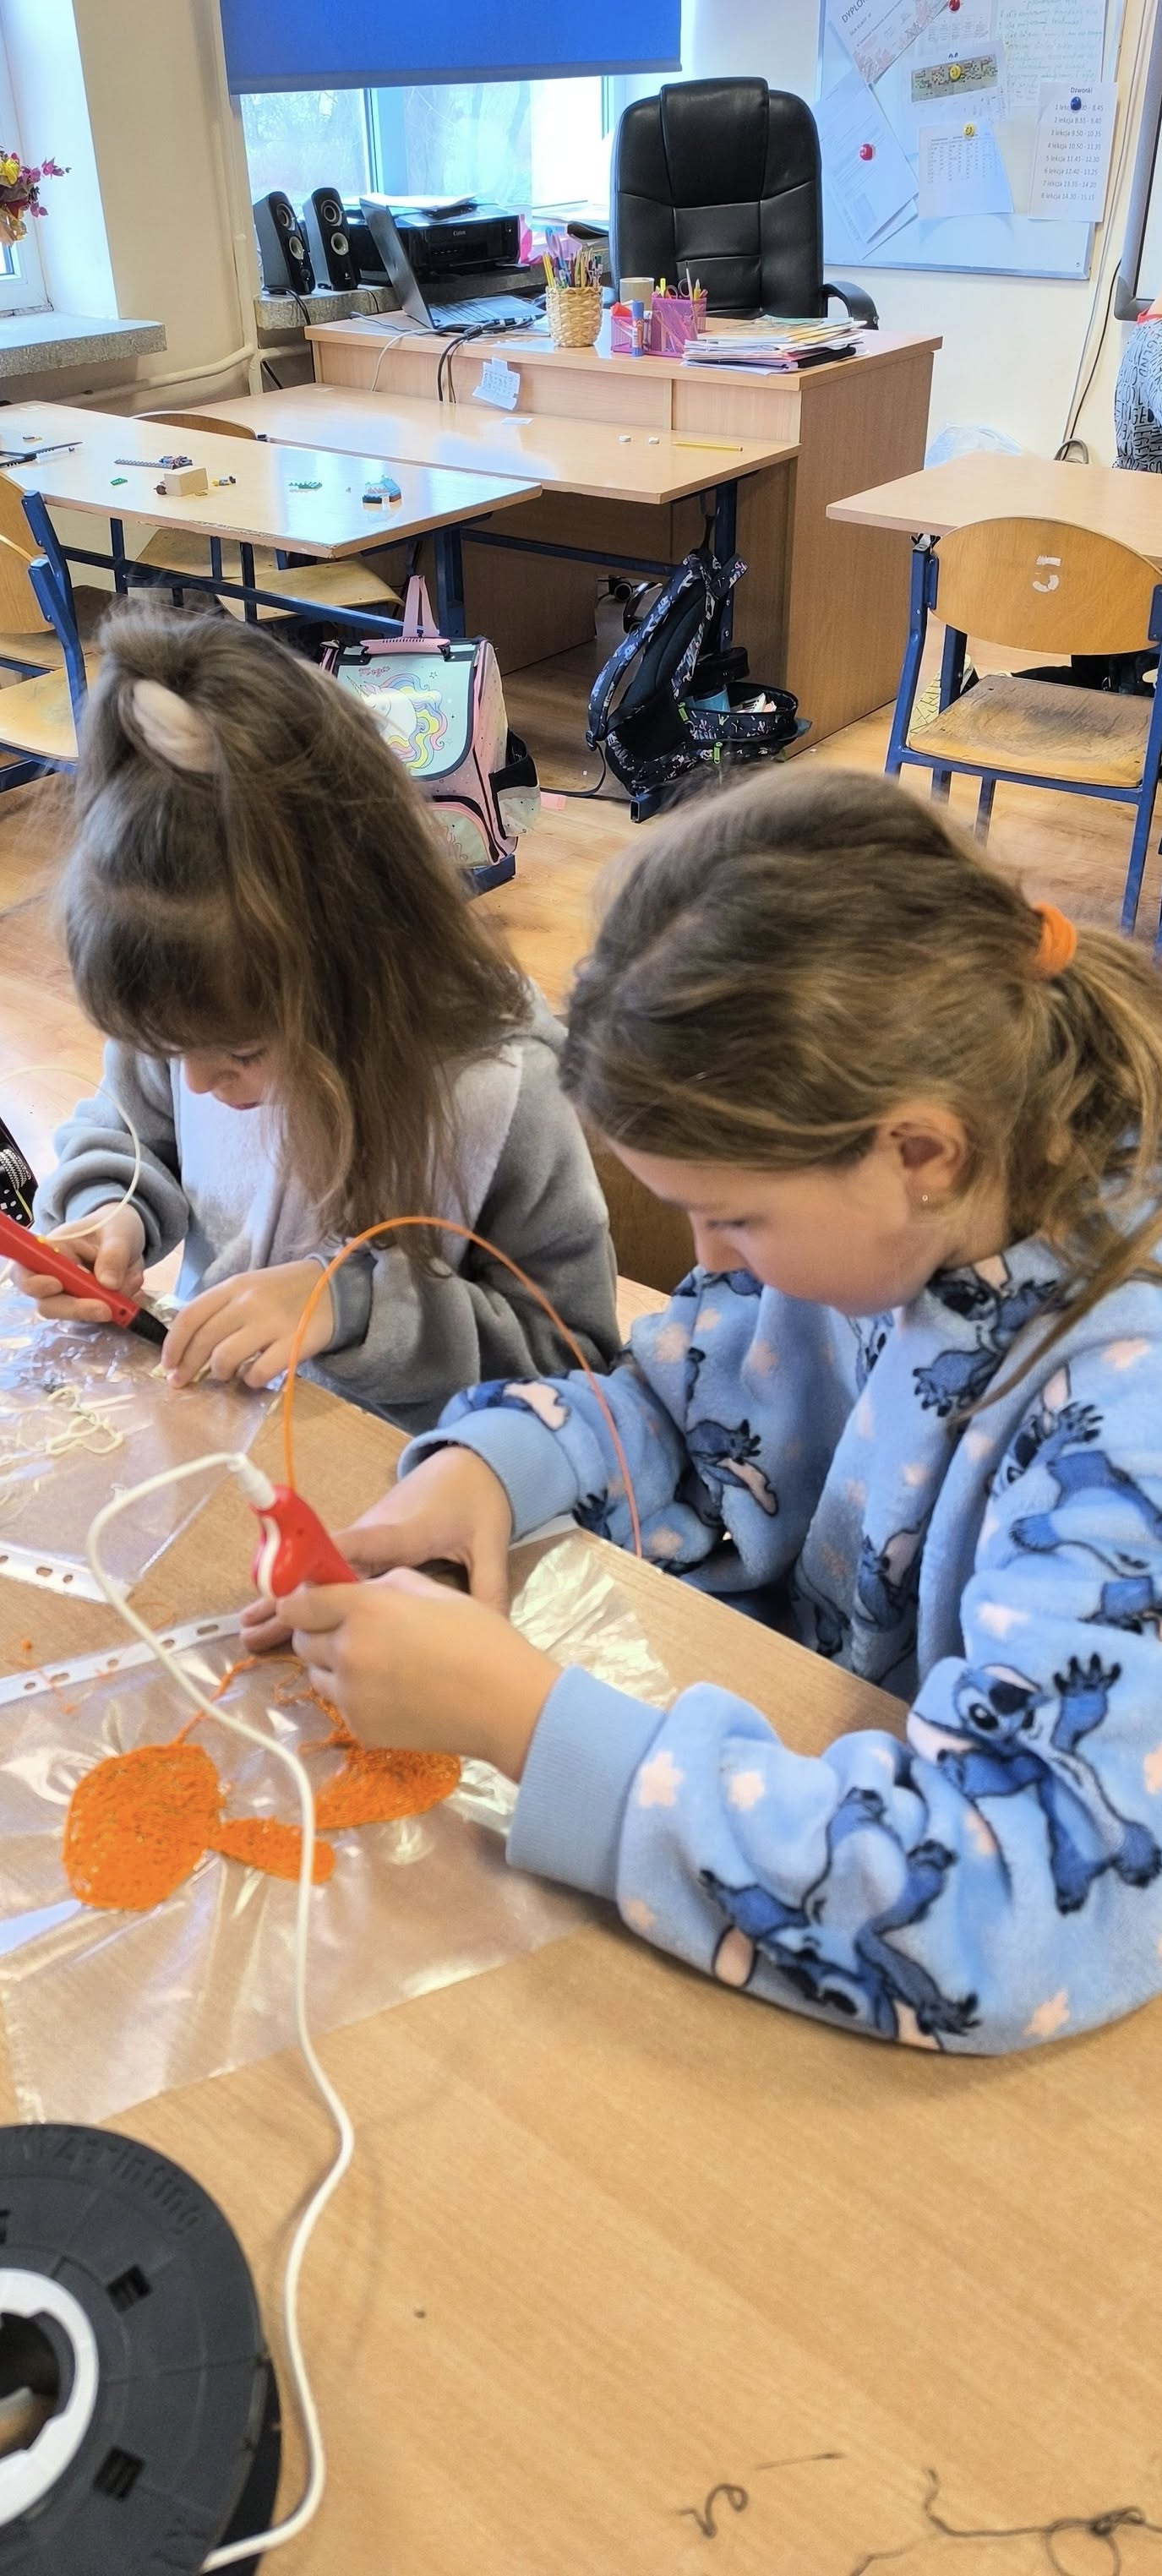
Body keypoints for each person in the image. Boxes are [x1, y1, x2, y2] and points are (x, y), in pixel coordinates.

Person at [255, 768, 1162, 2056]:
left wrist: (527, 1724)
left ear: (918, 1151)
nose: (706, 1261)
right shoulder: (900, 1222)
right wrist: (494, 1468)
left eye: (732, 1216)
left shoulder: (1124, 1414)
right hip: (806, 1730)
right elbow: (688, 1403)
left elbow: (1000, 1910)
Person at [19, 603, 619, 1427]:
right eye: (166, 1048)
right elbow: (131, 1133)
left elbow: (575, 1358)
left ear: (362, 968)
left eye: (239, 1054)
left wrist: (352, 1308)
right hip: (223, 1434)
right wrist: (110, 1208)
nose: (195, 1081)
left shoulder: (500, 1088)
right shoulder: (197, 1005)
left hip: (422, 1472)